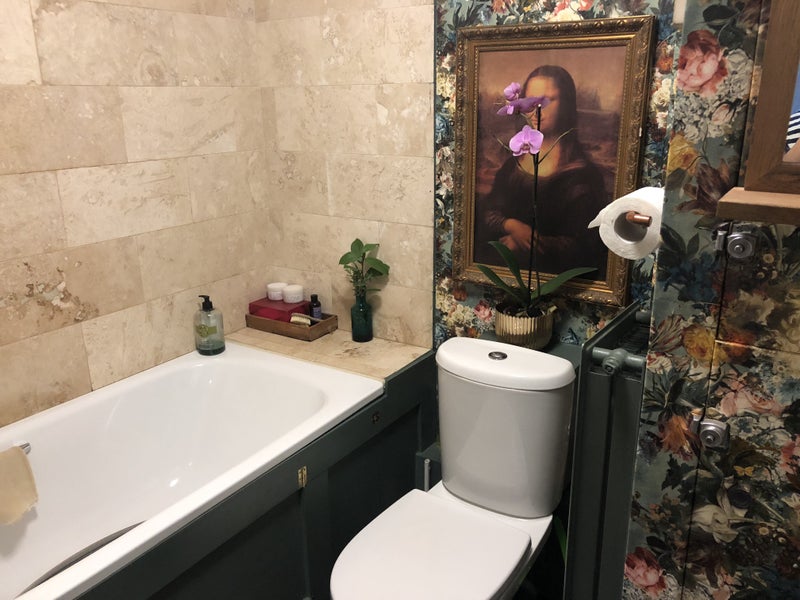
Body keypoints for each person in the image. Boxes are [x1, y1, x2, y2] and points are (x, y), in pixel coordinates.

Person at [476, 65, 610, 280]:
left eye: (547, 100)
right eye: (530, 100)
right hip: (505, 276)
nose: (536, 109)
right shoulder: (513, 165)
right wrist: (512, 226)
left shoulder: (583, 177)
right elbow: (487, 212)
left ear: (566, 104)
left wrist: (527, 244)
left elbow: (586, 245)